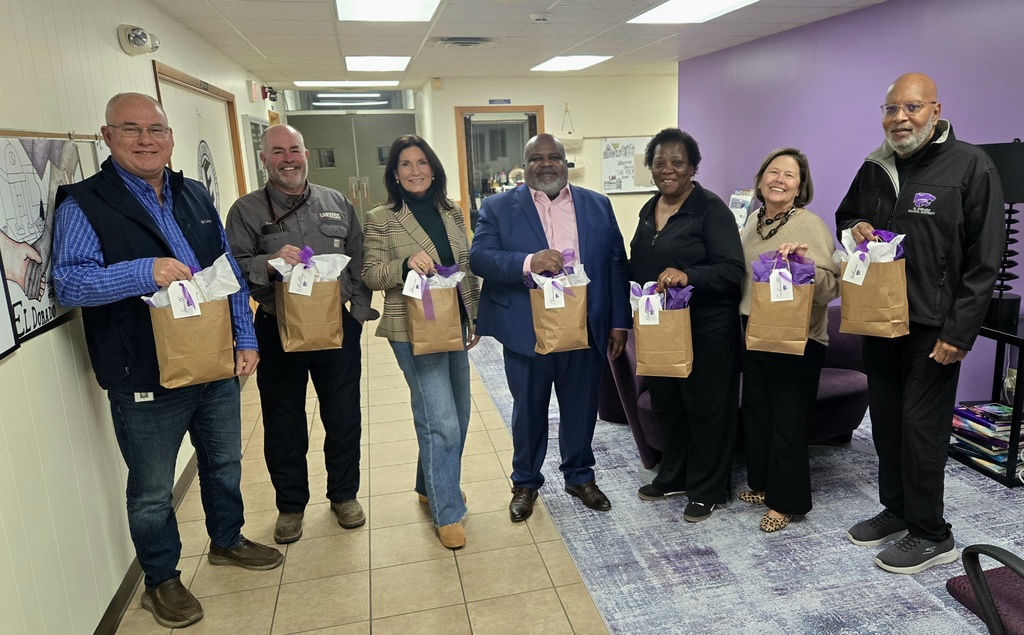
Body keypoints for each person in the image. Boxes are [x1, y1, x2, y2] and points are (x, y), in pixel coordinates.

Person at [51, 93, 282, 629]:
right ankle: (162, 580)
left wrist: (244, 339)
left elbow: (224, 273)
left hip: (214, 362)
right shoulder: (85, 203)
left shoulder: (194, 194)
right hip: (142, 370)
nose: (146, 139)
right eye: (130, 129)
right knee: (153, 489)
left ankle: (226, 540)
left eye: (156, 129)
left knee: (223, 463)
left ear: (171, 137)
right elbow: (68, 282)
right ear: (106, 137)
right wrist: (142, 271)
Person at [836, 73, 1004, 574]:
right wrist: (854, 228)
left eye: (910, 108)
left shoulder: (970, 165)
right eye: (891, 109)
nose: (899, 118)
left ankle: (933, 532)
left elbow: (986, 258)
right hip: (880, 320)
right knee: (886, 421)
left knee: (921, 428)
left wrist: (960, 332)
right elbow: (846, 216)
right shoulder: (875, 166)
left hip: (935, 327)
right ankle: (898, 510)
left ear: (934, 109)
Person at [225, 124, 378, 544]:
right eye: (277, 151)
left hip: (337, 329)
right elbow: (233, 269)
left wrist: (359, 315)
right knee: (284, 423)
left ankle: (344, 496)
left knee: (344, 417)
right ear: (264, 158)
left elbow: (361, 261)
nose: (287, 158)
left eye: (294, 149)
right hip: (276, 328)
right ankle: (290, 506)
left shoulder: (337, 203)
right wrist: (269, 261)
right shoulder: (246, 210)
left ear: (305, 153)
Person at [470, 133, 630, 524]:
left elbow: (614, 264)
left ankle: (579, 476)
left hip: (584, 327)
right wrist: (529, 261)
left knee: (580, 407)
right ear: (524, 167)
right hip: (527, 330)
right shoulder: (498, 207)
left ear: (565, 162)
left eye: (554, 157)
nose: (546, 164)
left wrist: (618, 322)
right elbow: (480, 258)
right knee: (529, 409)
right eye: (536, 158)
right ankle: (525, 482)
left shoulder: (597, 204)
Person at [362, 135, 480, 549]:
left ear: (434, 167)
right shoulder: (381, 217)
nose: (416, 171)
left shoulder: (452, 211)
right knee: (440, 421)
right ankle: (447, 511)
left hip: (452, 323)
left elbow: (466, 267)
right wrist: (404, 263)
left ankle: (430, 484)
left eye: (422, 162)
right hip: (410, 330)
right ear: (395, 174)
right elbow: (371, 274)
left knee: (458, 416)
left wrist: (473, 316)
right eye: (406, 165)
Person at [627, 128, 744, 523]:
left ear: (693, 167)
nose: (668, 169)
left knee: (707, 411)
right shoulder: (649, 209)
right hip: (659, 328)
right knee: (668, 406)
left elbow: (732, 270)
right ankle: (673, 475)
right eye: (659, 162)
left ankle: (708, 488)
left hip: (706, 331)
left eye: (678, 162)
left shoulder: (711, 209)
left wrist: (688, 275)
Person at [737, 148, 839, 532]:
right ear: (761, 179)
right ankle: (764, 485)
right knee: (760, 413)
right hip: (755, 330)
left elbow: (832, 288)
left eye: (789, 176)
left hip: (800, 338)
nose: (779, 180)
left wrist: (806, 266)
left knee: (788, 421)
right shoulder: (752, 222)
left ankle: (787, 501)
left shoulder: (809, 224)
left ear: (800, 186)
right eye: (773, 172)